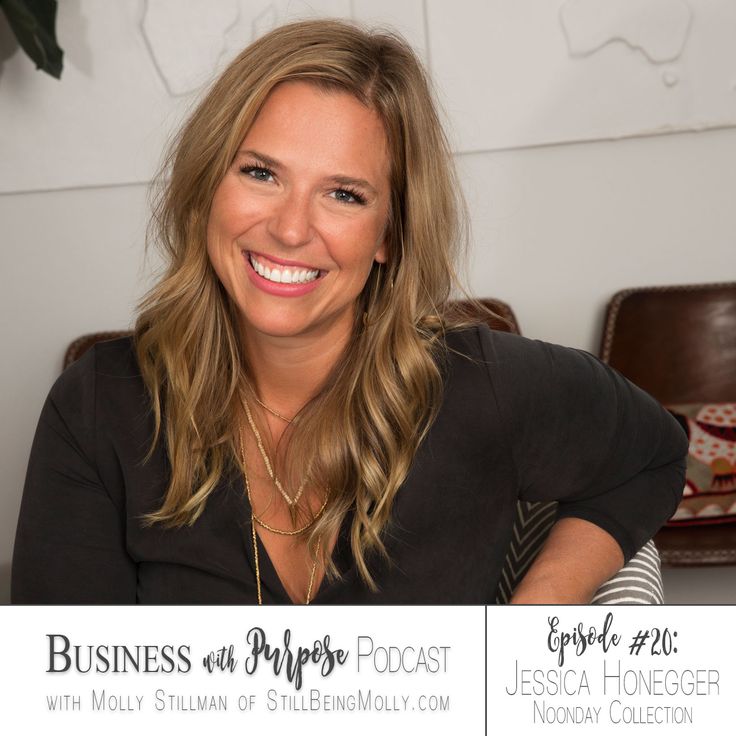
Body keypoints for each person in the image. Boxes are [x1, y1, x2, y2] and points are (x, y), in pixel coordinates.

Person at [11, 19, 687, 604]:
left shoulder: (486, 388)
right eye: (261, 173)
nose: (291, 229)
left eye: (344, 194)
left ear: (390, 234)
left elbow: (653, 454)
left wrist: (538, 613)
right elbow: (61, 689)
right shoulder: (98, 408)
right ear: (205, 188)